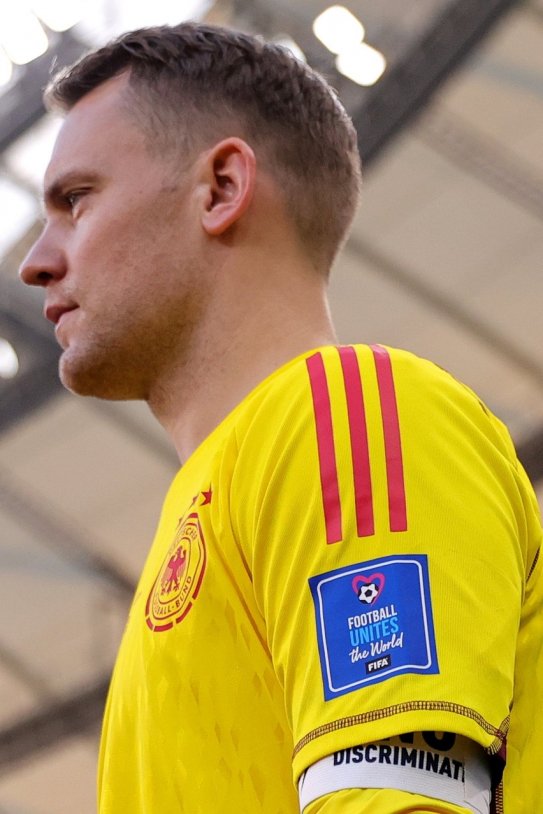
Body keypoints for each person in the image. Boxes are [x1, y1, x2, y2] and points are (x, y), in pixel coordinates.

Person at [19, 22, 542, 814]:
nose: (35, 261)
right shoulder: (207, 510)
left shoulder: (351, 415)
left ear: (222, 188)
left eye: (77, 201)